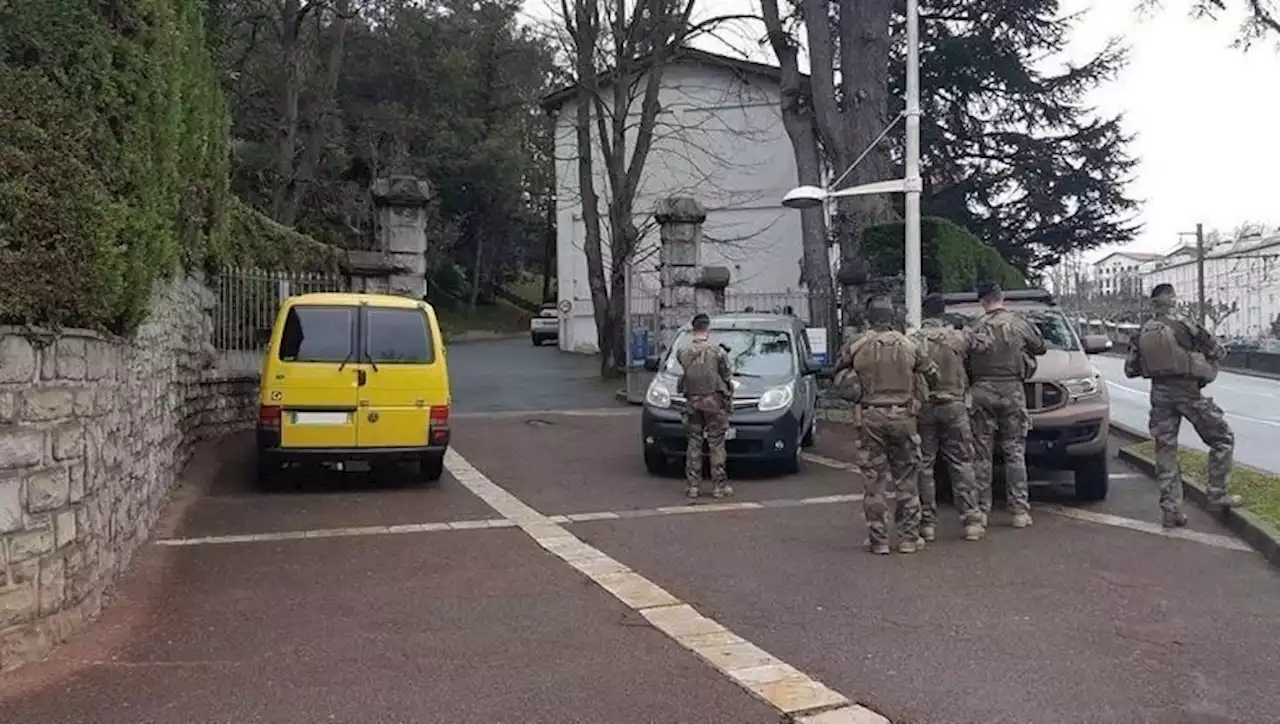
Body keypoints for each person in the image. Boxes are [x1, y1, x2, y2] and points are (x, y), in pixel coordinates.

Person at [1124, 283, 1240, 527]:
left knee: (1165, 450)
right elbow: (1217, 351)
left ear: (1153, 303)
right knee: (1222, 438)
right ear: (1173, 300)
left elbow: (1130, 369)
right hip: (1188, 392)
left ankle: (1171, 509)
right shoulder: (1185, 324)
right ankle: (1217, 494)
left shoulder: (1143, 332)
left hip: (1159, 396)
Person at [837, 295, 939, 554]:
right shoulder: (909, 345)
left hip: (871, 417)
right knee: (906, 479)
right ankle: (907, 538)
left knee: (874, 482)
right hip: (904, 418)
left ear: (869, 317)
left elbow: (837, 375)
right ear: (892, 317)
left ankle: (878, 540)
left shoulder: (858, 344)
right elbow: (933, 374)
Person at [912, 293, 992, 542]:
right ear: (942, 312)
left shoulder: (913, 339)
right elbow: (986, 344)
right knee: (961, 462)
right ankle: (971, 520)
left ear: (925, 313)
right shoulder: (958, 337)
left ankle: (927, 523)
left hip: (924, 407)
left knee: (924, 465)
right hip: (955, 406)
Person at [967, 282, 1046, 530]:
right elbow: (1040, 347)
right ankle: (1019, 510)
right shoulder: (1019, 323)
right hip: (1012, 390)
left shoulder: (975, 327)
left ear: (982, 302)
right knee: (1014, 450)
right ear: (1002, 297)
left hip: (981, 391)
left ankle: (981, 510)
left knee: (982, 452)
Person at [676, 313, 734, 499]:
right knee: (716, 443)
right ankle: (719, 486)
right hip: (714, 403)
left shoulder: (683, 352)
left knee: (694, 442)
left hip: (693, 402)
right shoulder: (717, 352)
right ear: (707, 328)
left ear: (693, 329)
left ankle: (693, 486)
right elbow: (727, 374)